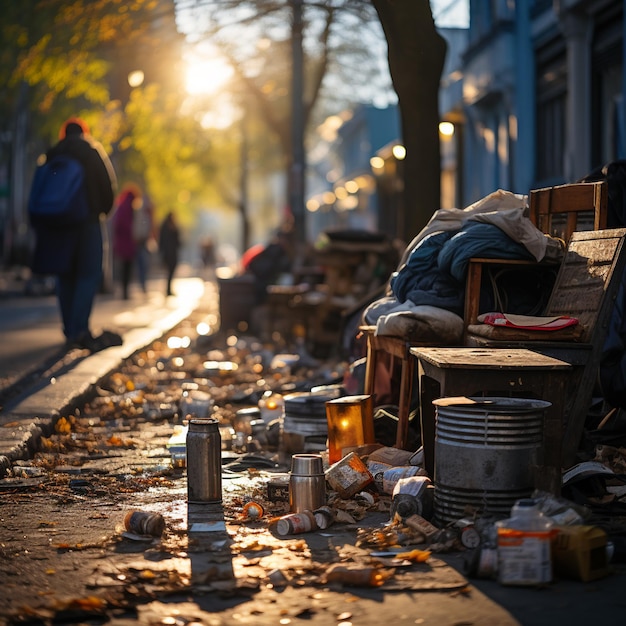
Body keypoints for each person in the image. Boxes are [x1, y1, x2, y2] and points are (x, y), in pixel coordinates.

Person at [34, 117, 120, 352]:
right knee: (88, 275)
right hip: (88, 222)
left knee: (65, 276)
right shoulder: (91, 151)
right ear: (84, 132)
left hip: (58, 225)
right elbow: (108, 189)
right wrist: (100, 212)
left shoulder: (52, 154)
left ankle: (69, 329)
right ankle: (80, 329)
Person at [112, 183, 143, 299]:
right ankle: (125, 291)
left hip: (124, 243)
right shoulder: (128, 209)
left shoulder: (122, 206)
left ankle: (125, 291)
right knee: (127, 268)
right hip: (127, 243)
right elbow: (123, 225)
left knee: (125, 268)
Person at [158, 211, 180, 296]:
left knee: (170, 271)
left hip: (171, 252)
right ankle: (168, 289)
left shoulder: (171, 227)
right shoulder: (167, 227)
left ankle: (168, 289)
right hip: (169, 253)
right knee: (169, 271)